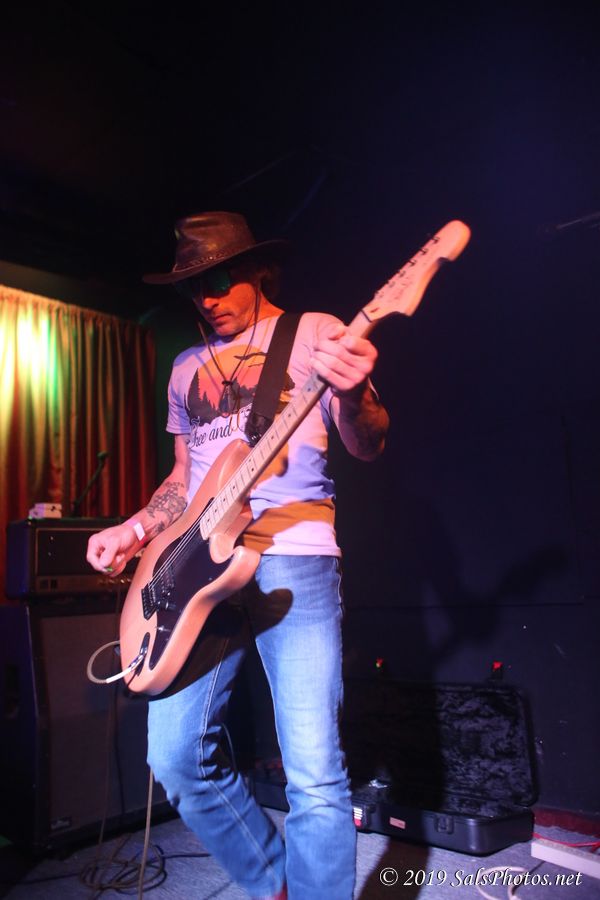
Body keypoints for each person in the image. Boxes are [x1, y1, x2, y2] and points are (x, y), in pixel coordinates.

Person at [86, 211, 389, 899]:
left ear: (257, 270)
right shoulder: (184, 367)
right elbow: (182, 478)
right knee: (174, 756)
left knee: (313, 770)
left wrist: (353, 394)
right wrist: (136, 529)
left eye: (220, 281)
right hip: (197, 566)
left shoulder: (315, 332)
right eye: (195, 288)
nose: (208, 298)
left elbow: (369, 443)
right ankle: (274, 882)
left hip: (294, 554)